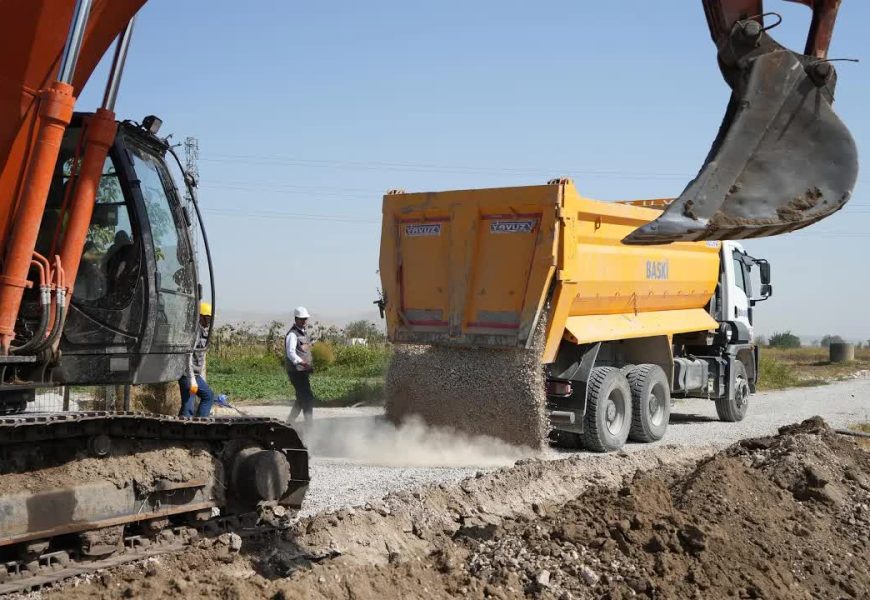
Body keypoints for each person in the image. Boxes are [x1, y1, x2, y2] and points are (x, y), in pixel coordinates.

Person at [179, 301, 214, 417]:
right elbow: (187, 354)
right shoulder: (195, 332)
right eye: (207, 318)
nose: (209, 321)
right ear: (200, 317)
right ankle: (200, 426)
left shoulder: (202, 330)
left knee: (188, 404)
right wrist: (192, 378)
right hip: (187, 375)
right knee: (205, 397)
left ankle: (184, 427)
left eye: (210, 319)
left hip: (192, 375)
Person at [285, 306, 315, 425]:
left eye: (305, 319)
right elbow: (291, 353)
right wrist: (303, 363)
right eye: (302, 319)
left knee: (301, 399)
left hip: (302, 370)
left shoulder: (303, 333)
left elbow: (303, 349)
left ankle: (289, 423)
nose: (304, 321)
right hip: (296, 371)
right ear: (296, 319)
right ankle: (309, 425)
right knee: (307, 398)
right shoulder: (292, 334)